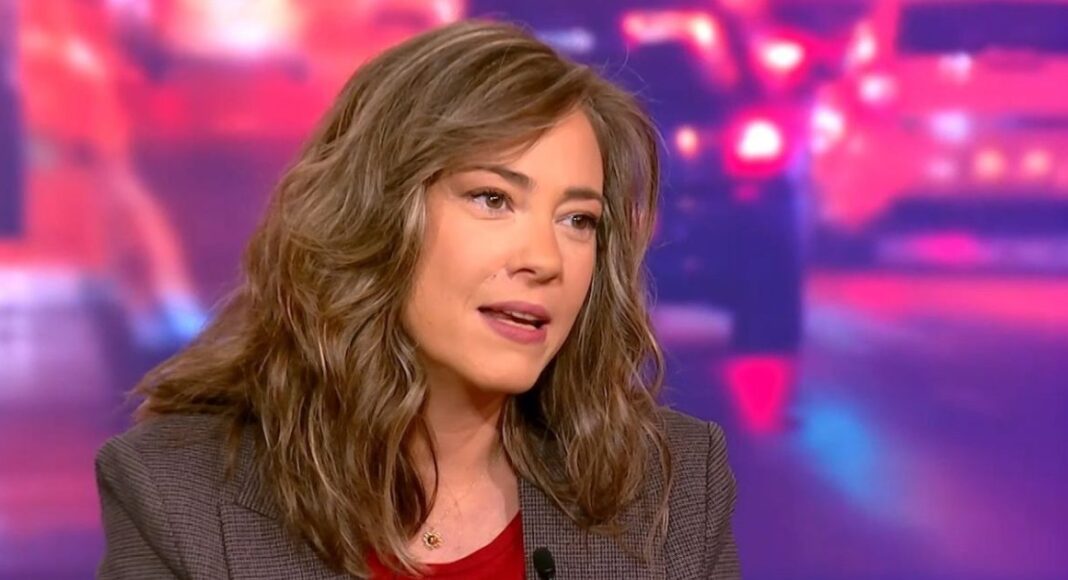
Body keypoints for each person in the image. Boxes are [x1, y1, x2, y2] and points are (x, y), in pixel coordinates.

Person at [95, 20, 739, 580]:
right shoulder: (180, 497)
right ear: (374, 214)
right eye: (493, 199)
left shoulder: (672, 491)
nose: (546, 260)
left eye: (578, 220)